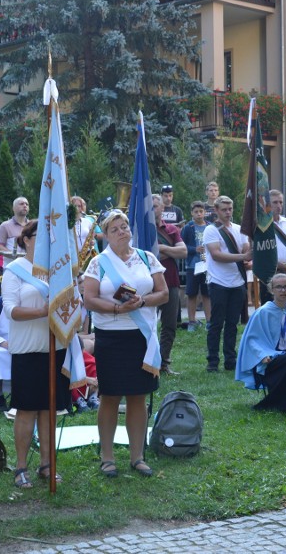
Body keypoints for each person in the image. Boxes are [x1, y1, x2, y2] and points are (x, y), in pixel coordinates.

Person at [83, 211, 168, 478]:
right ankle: (107, 457)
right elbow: (89, 299)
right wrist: (117, 309)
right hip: (111, 337)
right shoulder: (98, 263)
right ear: (106, 235)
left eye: (125, 227)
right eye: (115, 229)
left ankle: (137, 456)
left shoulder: (146, 257)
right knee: (109, 396)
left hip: (141, 337)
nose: (122, 231)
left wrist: (142, 302)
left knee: (138, 396)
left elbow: (163, 293)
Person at [2, 221, 71, 489]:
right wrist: (43, 311)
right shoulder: (14, 270)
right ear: (26, 240)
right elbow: (11, 310)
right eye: (37, 236)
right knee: (27, 409)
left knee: (49, 409)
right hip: (28, 348)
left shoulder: (58, 269)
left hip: (55, 347)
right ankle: (20, 467)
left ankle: (46, 463)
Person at [236, 275, 286, 415]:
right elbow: (252, 340)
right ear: (271, 290)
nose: (283, 290)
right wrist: (263, 355)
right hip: (271, 360)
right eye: (278, 287)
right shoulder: (263, 312)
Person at [203, 196, 251, 372]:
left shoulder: (240, 229)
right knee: (216, 324)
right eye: (224, 209)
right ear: (216, 210)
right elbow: (216, 254)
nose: (228, 212)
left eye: (230, 209)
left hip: (237, 282)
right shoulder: (211, 230)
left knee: (232, 324)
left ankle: (230, 361)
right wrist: (243, 257)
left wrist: (248, 253)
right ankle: (212, 362)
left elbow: (245, 248)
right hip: (218, 283)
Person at [153, 195, 186, 375]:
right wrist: (164, 253)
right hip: (147, 284)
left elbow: (183, 251)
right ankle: (147, 362)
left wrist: (162, 249)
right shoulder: (139, 230)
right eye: (149, 206)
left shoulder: (172, 229)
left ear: (162, 208)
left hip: (170, 281)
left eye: (156, 206)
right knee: (146, 324)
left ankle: (163, 363)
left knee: (169, 325)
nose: (153, 209)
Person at [181, 201, 211, 331]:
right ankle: (192, 321)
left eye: (201, 212)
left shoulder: (210, 227)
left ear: (205, 212)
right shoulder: (188, 228)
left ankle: (209, 321)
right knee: (192, 293)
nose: (199, 214)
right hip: (192, 265)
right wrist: (194, 249)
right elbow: (181, 245)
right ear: (192, 213)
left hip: (207, 266)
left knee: (207, 294)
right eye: (196, 212)